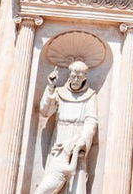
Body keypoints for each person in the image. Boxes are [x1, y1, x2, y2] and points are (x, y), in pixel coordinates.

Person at [34, 61, 98, 194]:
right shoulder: (60, 92)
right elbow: (45, 111)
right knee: (53, 178)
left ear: (84, 78)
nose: (75, 80)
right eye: (73, 76)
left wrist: (83, 139)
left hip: (77, 140)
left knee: (75, 180)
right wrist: (51, 87)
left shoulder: (90, 95)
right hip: (59, 140)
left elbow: (91, 120)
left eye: (79, 77)